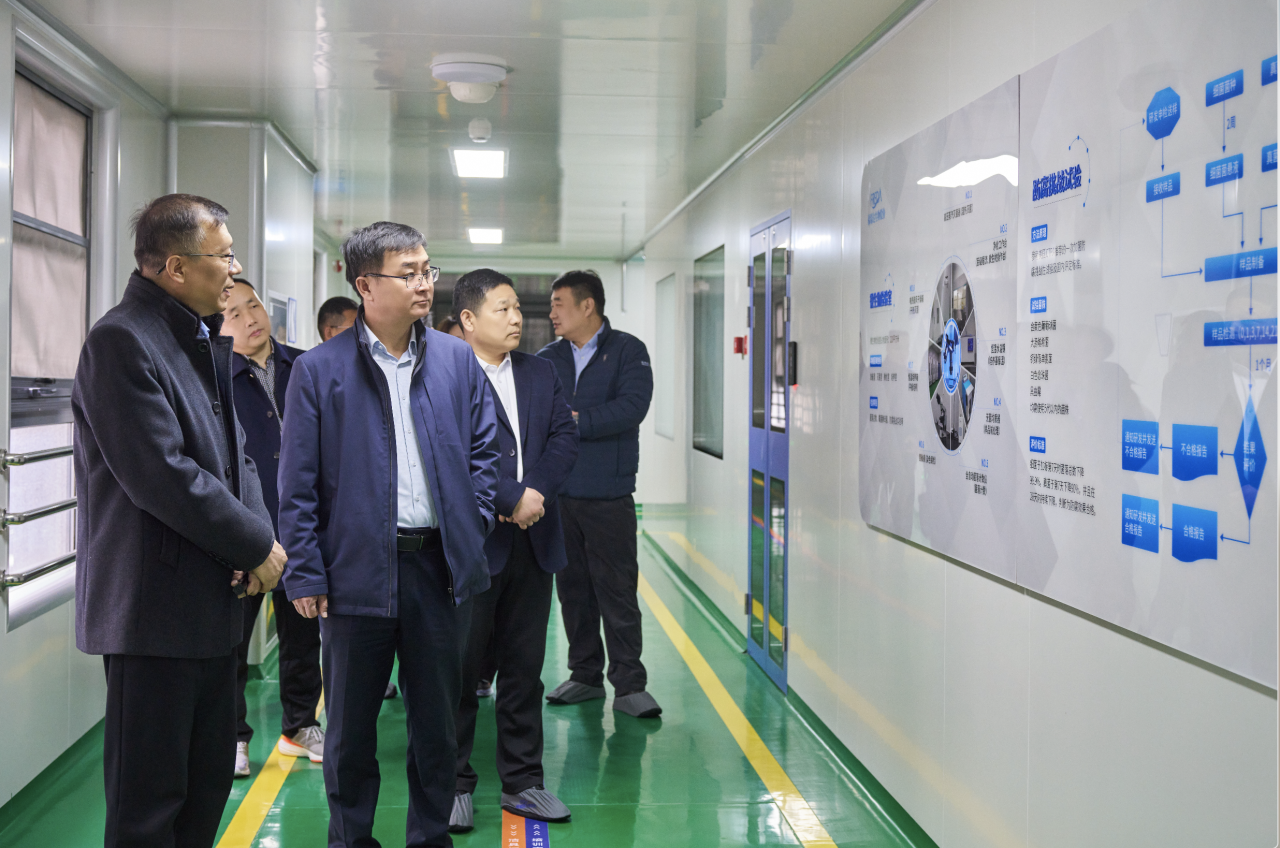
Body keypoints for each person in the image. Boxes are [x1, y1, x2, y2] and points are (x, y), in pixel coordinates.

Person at [72, 193, 287, 848]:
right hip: (153, 616)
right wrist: (256, 545)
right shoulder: (122, 341)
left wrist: (258, 541)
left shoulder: (196, 338)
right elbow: (163, 475)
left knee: (202, 793)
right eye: (224, 256)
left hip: (211, 610)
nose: (234, 268)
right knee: (149, 808)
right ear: (175, 267)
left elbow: (237, 455)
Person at [278, 221, 501, 848]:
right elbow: (296, 483)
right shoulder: (319, 371)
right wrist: (306, 571)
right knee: (350, 732)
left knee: (437, 729)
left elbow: (485, 451)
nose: (424, 283)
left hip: (438, 569)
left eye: (428, 270)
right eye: (409, 273)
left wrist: (473, 521)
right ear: (365, 284)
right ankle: (351, 840)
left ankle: (430, 837)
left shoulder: (456, 359)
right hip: (355, 573)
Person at [448, 270, 579, 833]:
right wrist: (507, 498)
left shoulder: (539, 371)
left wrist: (534, 495)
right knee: (459, 671)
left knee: (525, 670)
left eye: (517, 308)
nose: (516, 318)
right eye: (501, 309)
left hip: (533, 541)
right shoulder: (444, 375)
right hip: (473, 546)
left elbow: (564, 439)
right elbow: (445, 451)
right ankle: (454, 784)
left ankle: (523, 782)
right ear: (468, 319)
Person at [538, 270, 660, 718]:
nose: (551, 314)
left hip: (608, 494)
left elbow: (632, 407)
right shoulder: (548, 358)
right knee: (573, 591)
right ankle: (585, 675)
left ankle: (629, 685)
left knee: (617, 590)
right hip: (560, 494)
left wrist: (574, 421)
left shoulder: (628, 351)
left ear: (587, 305)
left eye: (558, 304)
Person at [221, 279, 324, 777]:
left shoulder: (307, 366)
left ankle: (300, 726)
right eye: (234, 314)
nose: (250, 319)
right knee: (233, 645)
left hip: (304, 527)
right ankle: (233, 737)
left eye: (254, 306)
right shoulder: (214, 377)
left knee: (303, 635)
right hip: (247, 533)